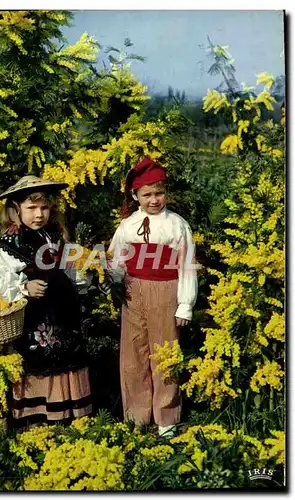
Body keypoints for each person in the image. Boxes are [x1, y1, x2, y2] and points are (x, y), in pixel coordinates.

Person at [0, 175, 92, 428]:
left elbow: (71, 268)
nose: (39, 214)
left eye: (44, 208)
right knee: (37, 362)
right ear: (16, 210)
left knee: (66, 357)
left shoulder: (55, 236)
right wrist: (23, 287)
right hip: (33, 318)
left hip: (62, 312)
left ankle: (68, 417)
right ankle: (38, 421)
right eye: (31, 208)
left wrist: (85, 274)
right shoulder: (9, 243)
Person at [107, 157, 198, 438]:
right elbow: (115, 258)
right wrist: (113, 281)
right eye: (147, 194)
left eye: (159, 193)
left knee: (165, 352)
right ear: (135, 196)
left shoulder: (177, 226)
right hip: (134, 292)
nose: (154, 200)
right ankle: (137, 414)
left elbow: (186, 266)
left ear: (166, 193)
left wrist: (185, 305)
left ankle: (166, 416)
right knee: (134, 354)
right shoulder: (127, 225)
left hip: (165, 290)